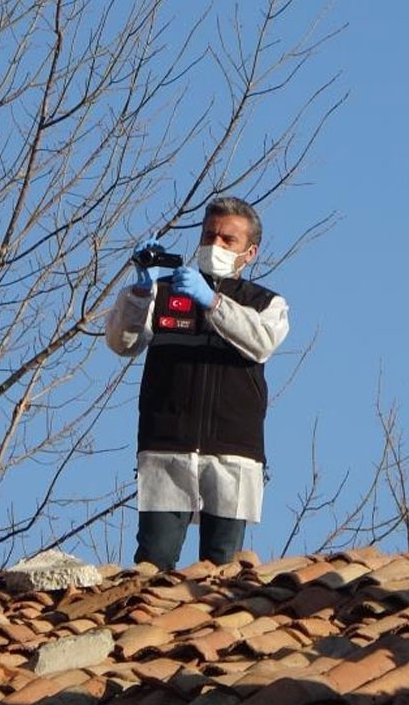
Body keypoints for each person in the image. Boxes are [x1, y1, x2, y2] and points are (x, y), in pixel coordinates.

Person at [104, 196, 289, 570]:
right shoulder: (164, 292)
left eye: (227, 240)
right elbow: (121, 343)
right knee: (152, 565)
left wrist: (212, 301)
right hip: (166, 449)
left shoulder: (265, 303)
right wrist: (140, 293)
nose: (214, 246)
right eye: (209, 236)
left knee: (221, 570)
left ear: (249, 253)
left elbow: (262, 341)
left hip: (233, 454)